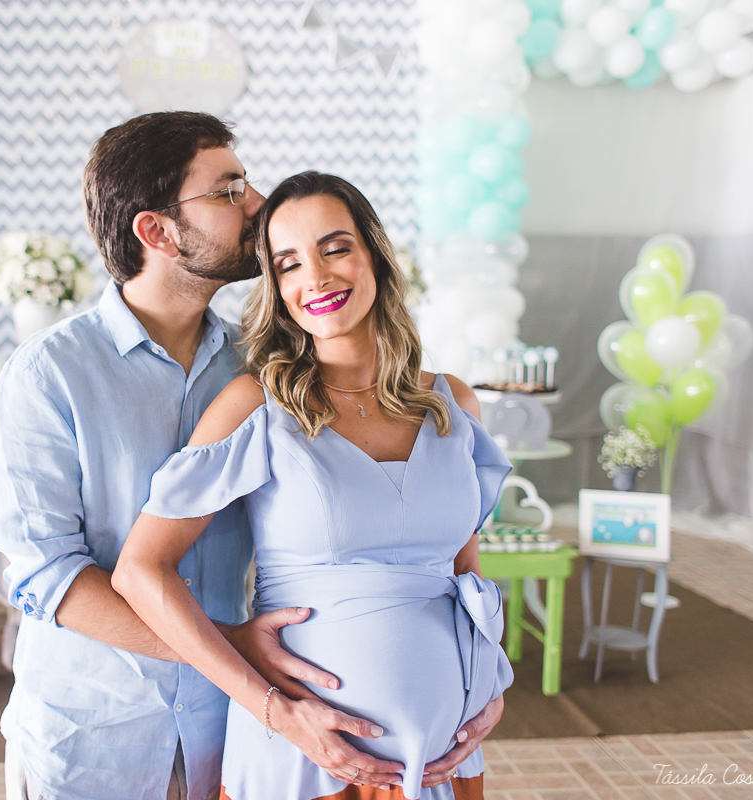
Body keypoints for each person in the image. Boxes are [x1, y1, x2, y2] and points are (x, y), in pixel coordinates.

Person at [0, 115, 409, 800]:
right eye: (229, 189)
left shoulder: (266, 366)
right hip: (94, 739)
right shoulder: (48, 374)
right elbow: (49, 578)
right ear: (157, 232)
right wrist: (234, 650)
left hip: (230, 737)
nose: (258, 204)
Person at [113, 171, 514, 800]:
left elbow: (463, 573)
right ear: (275, 287)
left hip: (441, 759)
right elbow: (140, 569)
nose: (317, 279)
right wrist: (276, 710)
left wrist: (488, 681)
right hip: (304, 761)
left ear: (373, 256)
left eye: (335, 248)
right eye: (289, 264)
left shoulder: (452, 404)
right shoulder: (258, 406)